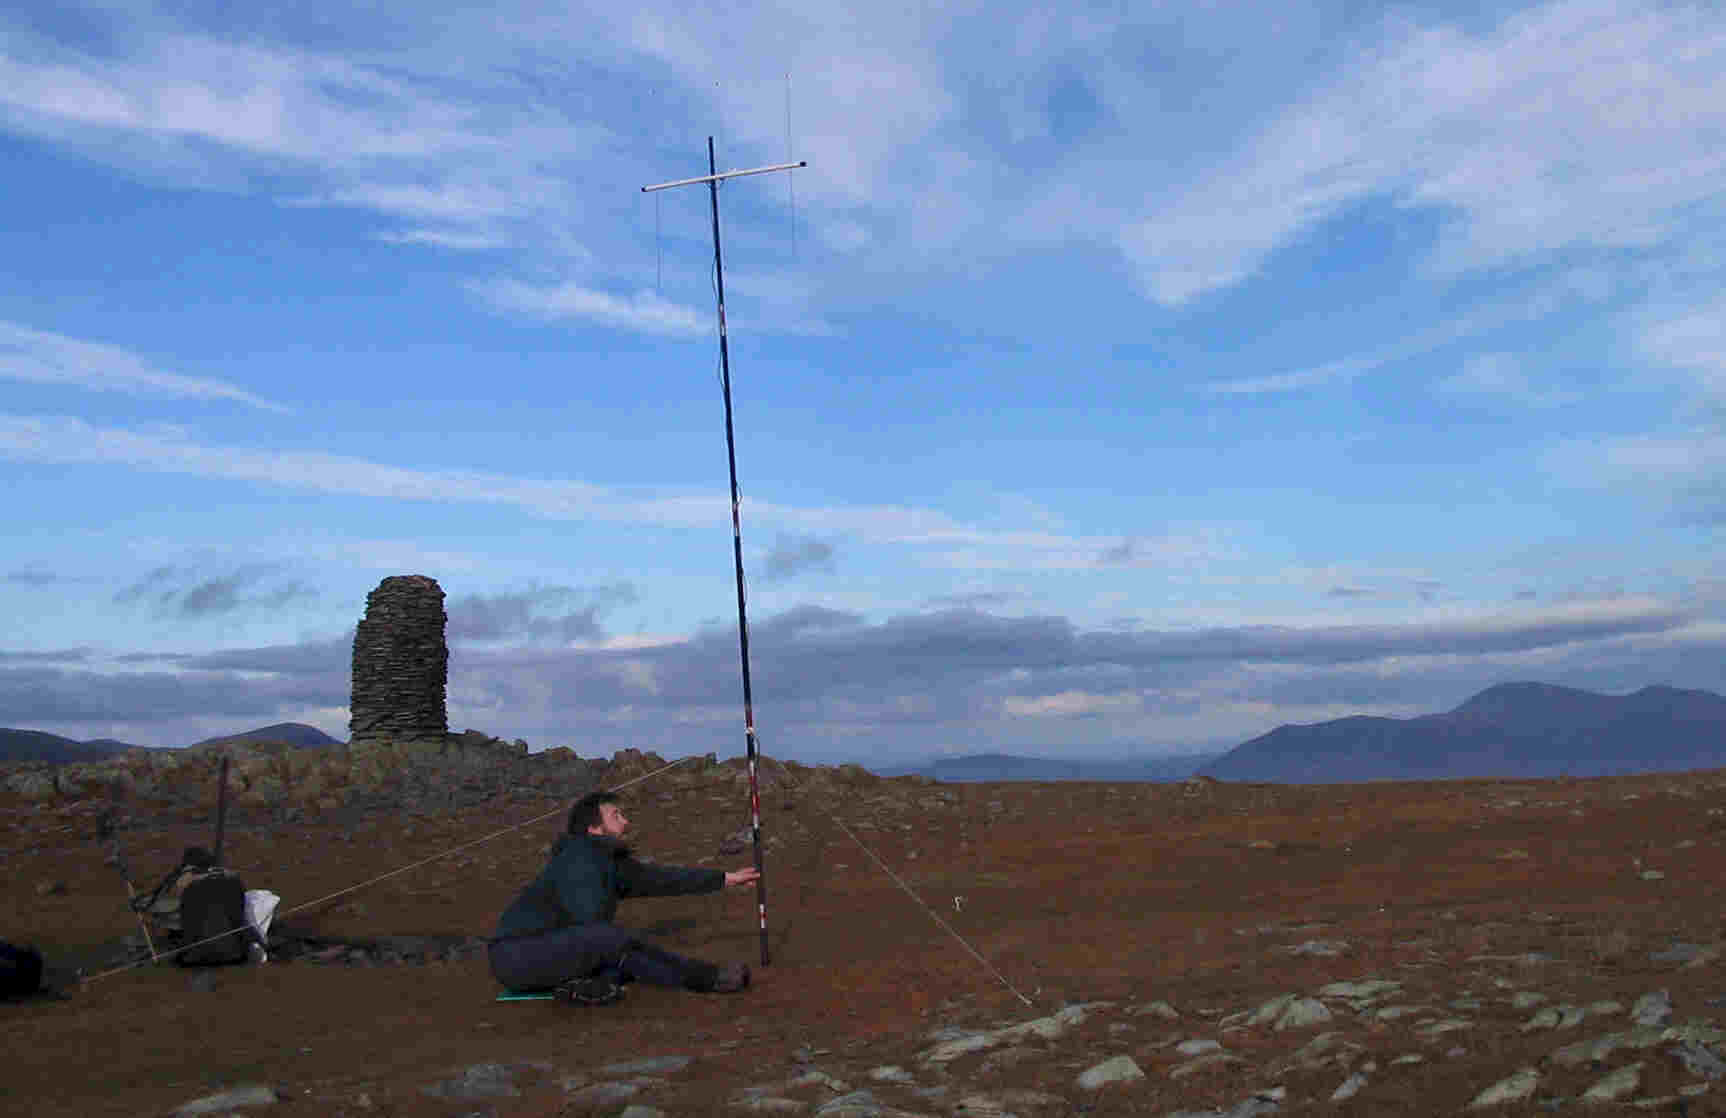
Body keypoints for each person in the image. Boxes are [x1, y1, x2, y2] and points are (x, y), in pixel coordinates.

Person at [489, 790, 761, 1004]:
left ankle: (586, 985)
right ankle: (707, 978)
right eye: (616, 815)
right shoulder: (578, 859)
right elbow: (590, 922)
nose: (625, 821)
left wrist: (725, 879)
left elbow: (663, 879)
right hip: (517, 955)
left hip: (546, 949)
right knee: (612, 942)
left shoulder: (607, 861)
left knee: (615, 950)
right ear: (594, 828)